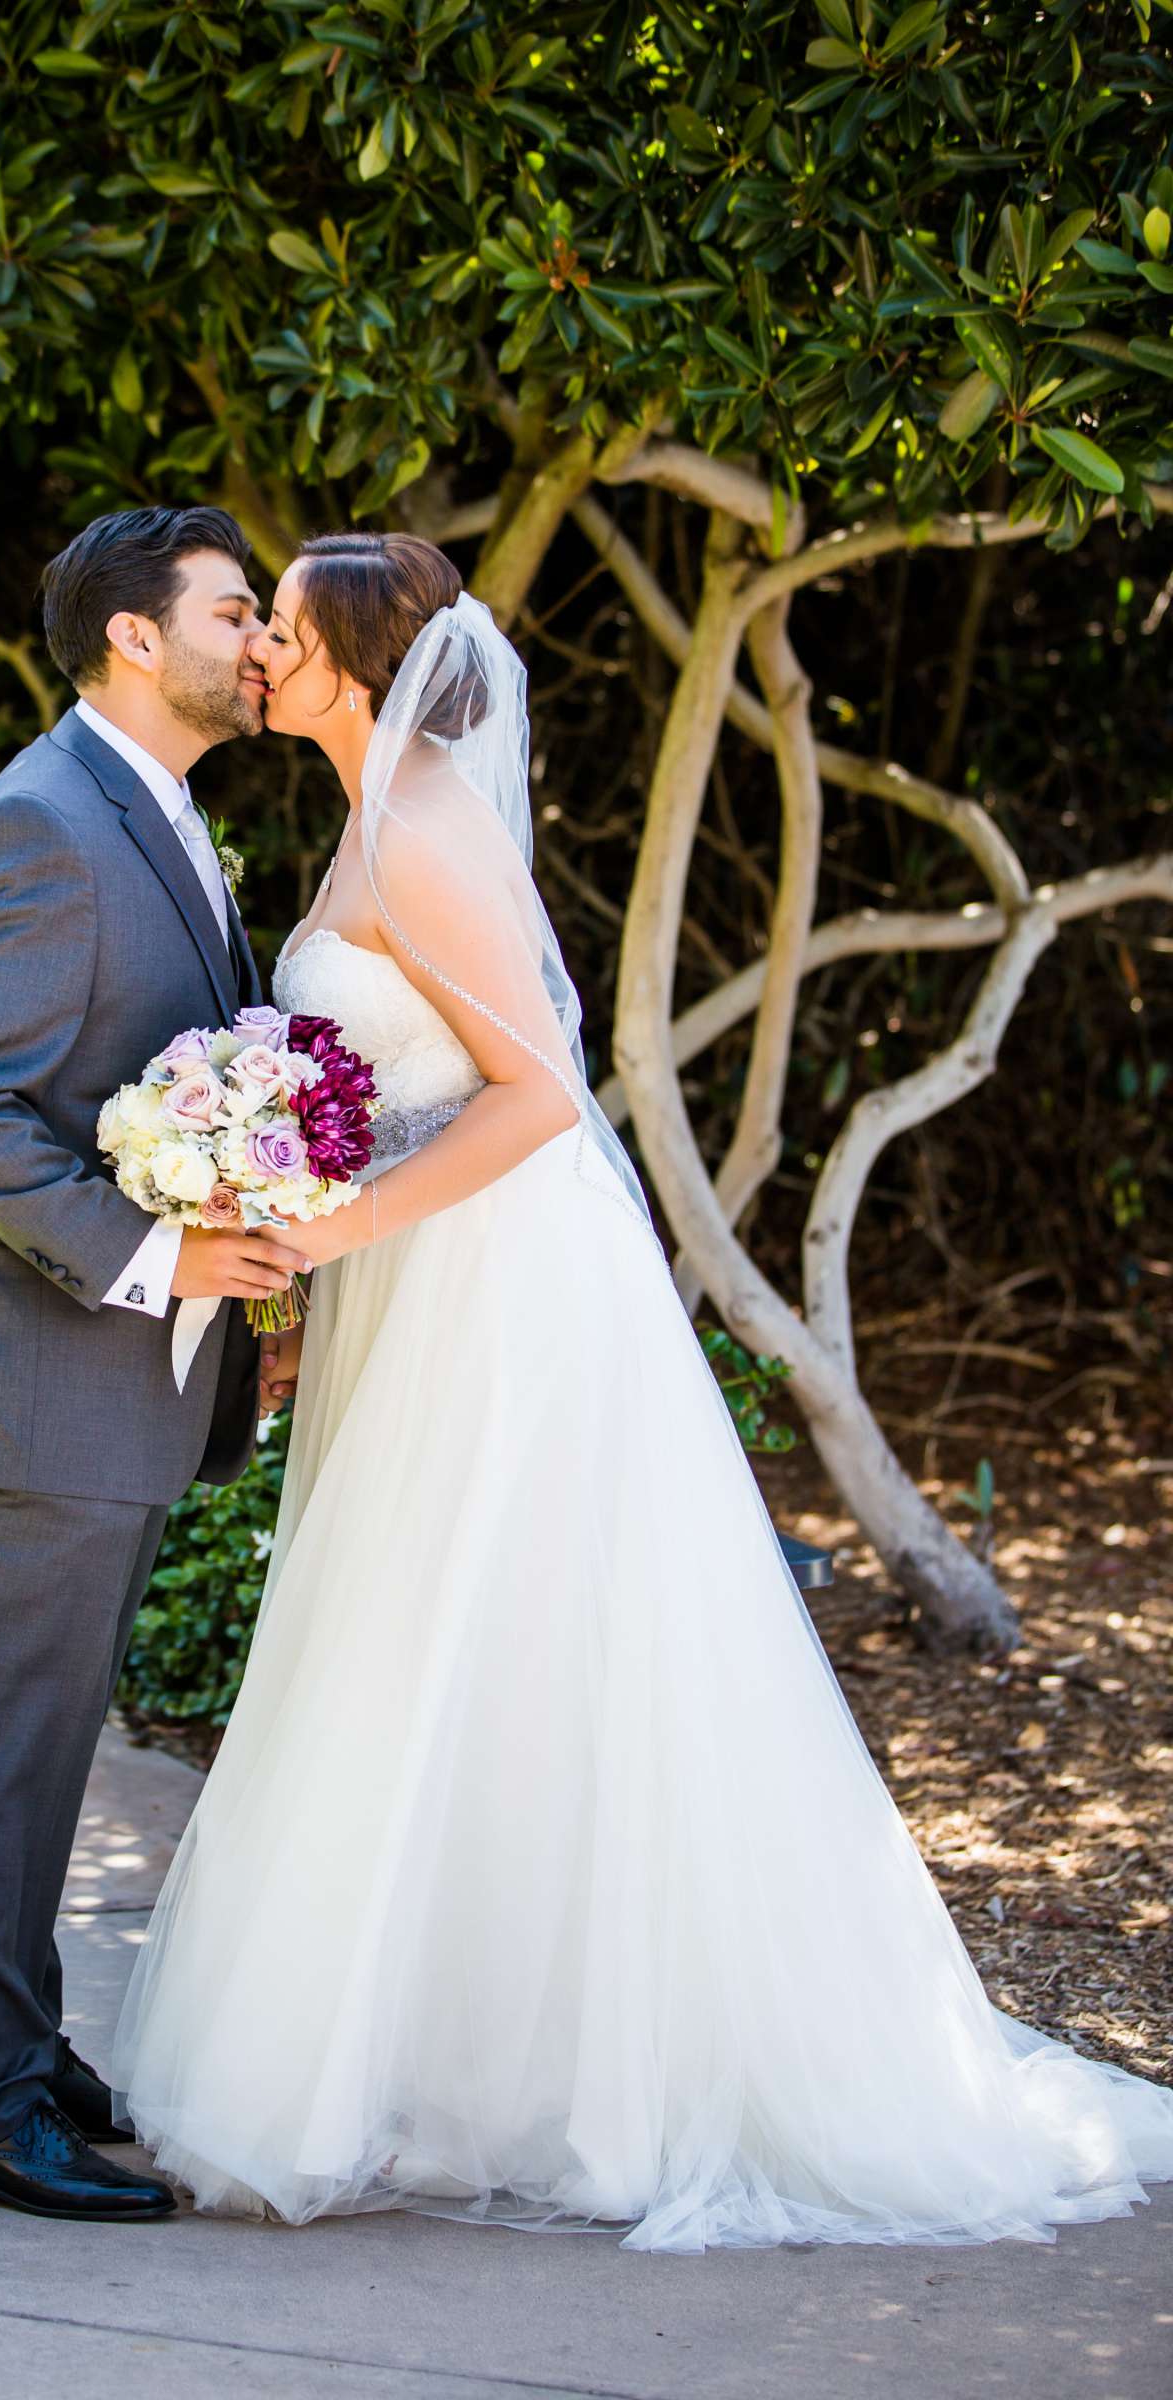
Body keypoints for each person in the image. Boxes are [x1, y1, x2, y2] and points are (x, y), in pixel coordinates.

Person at [108, 530, 1173, 2252]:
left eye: (288, 629)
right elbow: (391, 1079)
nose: (263, 651)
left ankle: (583, 2086)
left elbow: (539, 1093)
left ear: (362, 663)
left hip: (497, 1292)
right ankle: (463, 2063)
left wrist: (344, 1223)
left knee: (484, 1634)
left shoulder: (427, 828)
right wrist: (306, 1220)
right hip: (419, 1276)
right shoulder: (372, 817)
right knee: (439, 1646)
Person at [0, 505, 310, 2222]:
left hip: (91, 1388)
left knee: (35, 1743)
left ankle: (17, 2048)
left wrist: (244, 1298)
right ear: (138, 637)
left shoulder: (160, 815)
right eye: (233, 610)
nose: (258, 639)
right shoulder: (40, 825)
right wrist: (163, 1260)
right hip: (9, 1380)